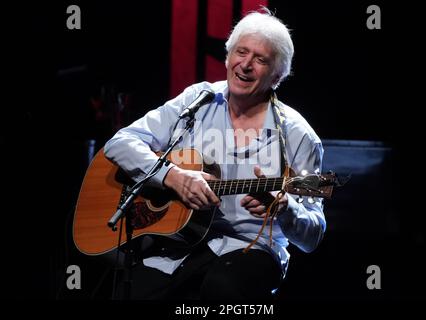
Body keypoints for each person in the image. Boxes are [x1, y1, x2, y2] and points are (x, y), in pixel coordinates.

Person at [104, 8, 326, 300]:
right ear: (227, 57)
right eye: (240, 52)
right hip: (179, 243)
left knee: (222, 288)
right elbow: (120, 143)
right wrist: (172, 176)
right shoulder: (198, 99)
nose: (245, 65)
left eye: (260, 60)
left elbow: (312, 237)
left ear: (277, 76)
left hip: (252, 249)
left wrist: (286, 209)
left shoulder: (299, 135)